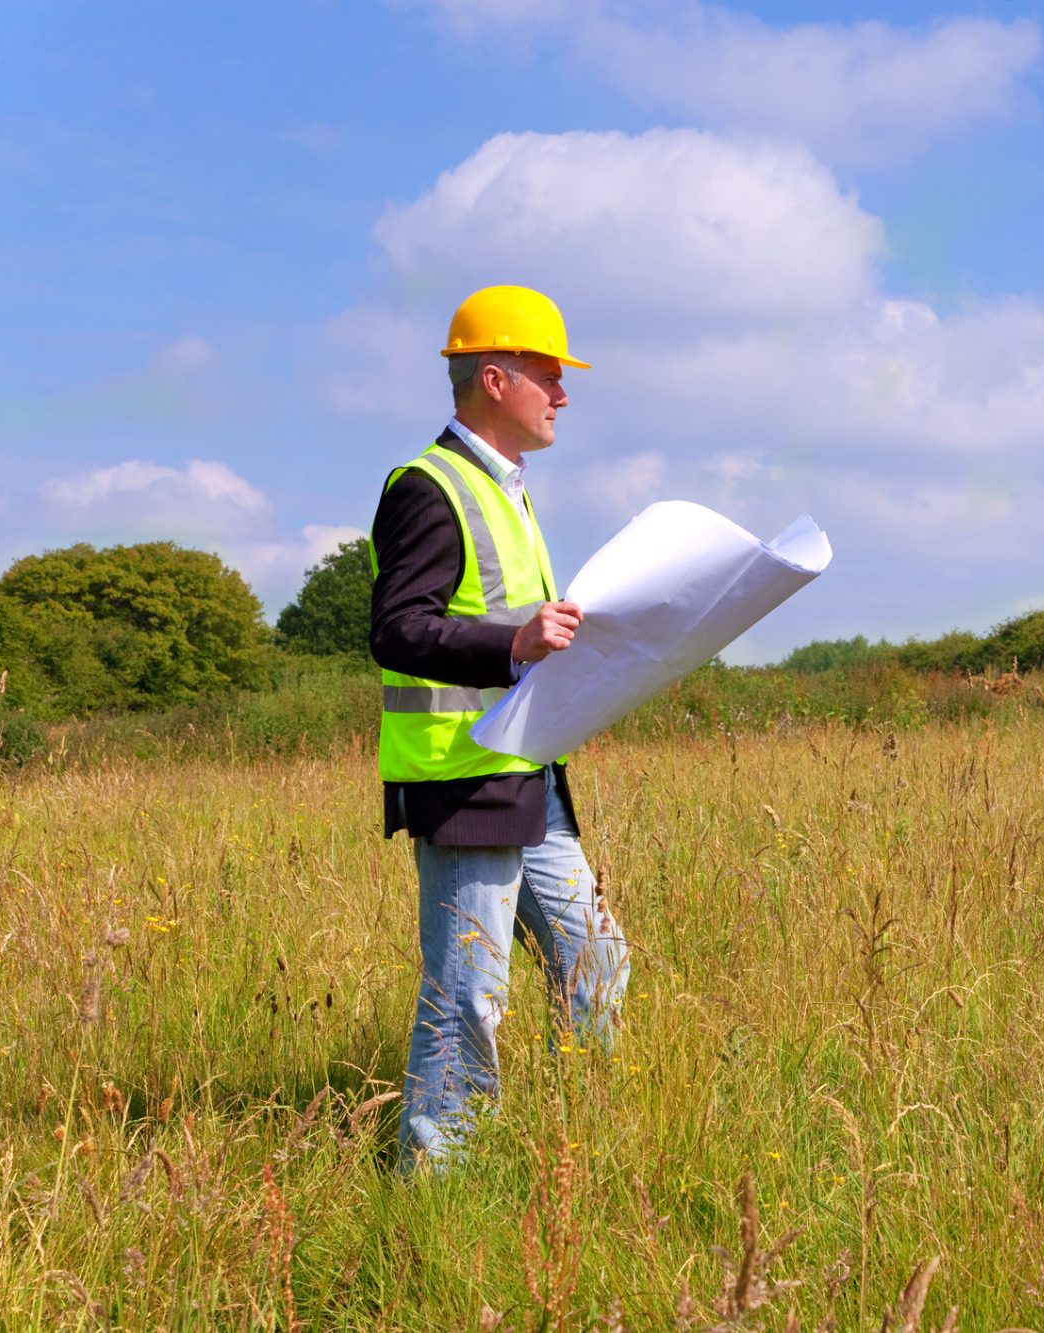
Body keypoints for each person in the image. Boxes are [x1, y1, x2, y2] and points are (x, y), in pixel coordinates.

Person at [368, 284, 628, 1169]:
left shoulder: (507, 491)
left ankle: (581, 1153)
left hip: (531, 777)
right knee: (467, 996)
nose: (563, 395)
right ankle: (434, 1189)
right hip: (464, 779)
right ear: (494, 378)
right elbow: (397, 627)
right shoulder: (428, 488)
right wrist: (511, 640)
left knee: (597, 963)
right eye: (548, 376)